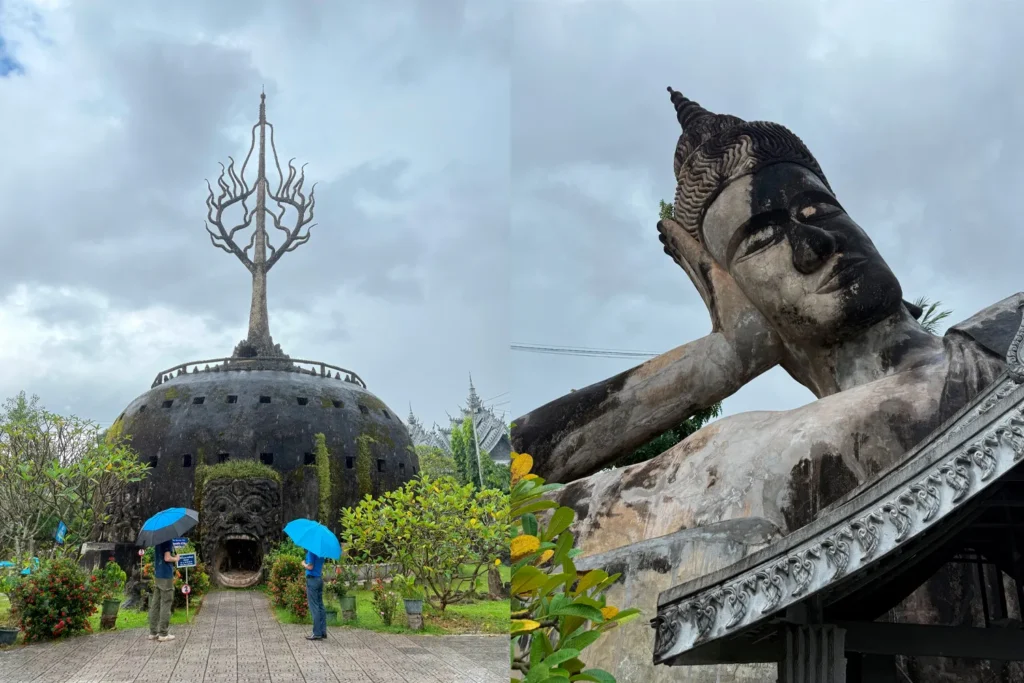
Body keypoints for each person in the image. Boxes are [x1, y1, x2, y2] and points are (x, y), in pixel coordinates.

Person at [148, 539, 179, 641]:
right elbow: (167, 558)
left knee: (155, 603)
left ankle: (153, 632)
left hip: (158, 575)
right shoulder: (167, 540)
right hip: (166, 576)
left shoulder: (157, 540)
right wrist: (176, 558)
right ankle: (163, 633)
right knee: (166, 602)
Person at [302, 550, 326, 640]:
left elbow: (310, 567)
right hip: (319, 579)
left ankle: (316, 633)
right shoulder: (321, 553)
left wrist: (304, 563)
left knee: (314, 606)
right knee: (320, 606)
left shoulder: (311, 552)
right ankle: (323, 631)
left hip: (312, 580)